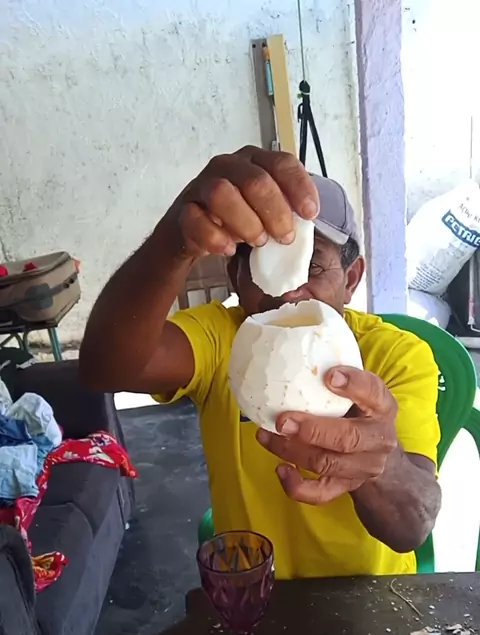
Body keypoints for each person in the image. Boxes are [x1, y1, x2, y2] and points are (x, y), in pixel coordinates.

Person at [80, 147, 441, 578]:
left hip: (371, 595)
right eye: (263, 261)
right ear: (236, 277)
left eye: (312, 265)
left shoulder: (396, 356)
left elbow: (412, 525)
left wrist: (380, 464)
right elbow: (106, 367)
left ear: (350, 278)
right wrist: (172, 243)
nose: (288, 293)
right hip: (252, 587)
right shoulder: (225, 338)